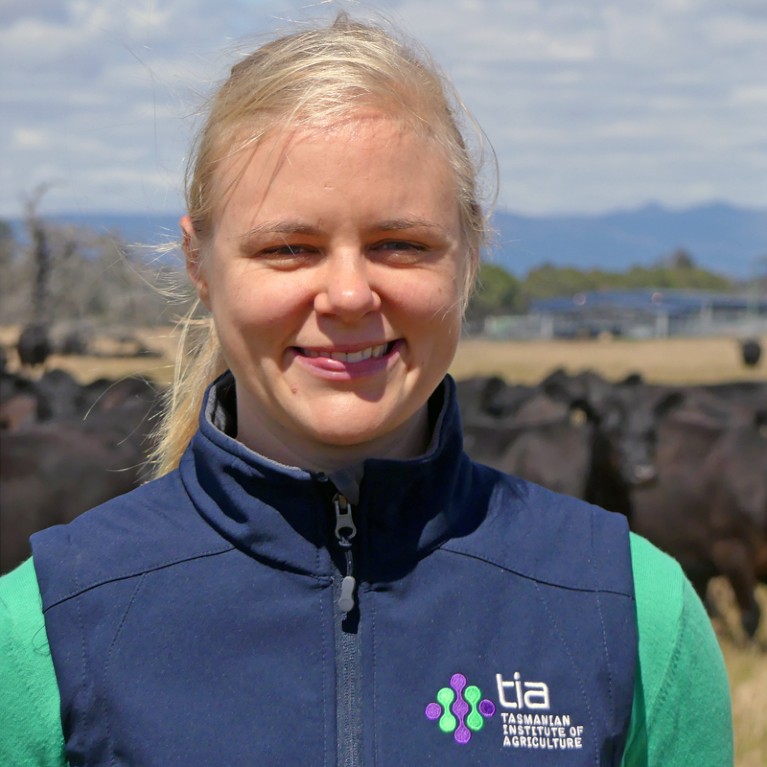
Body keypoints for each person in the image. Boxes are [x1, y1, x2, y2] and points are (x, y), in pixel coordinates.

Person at [0, 13, 732, 767]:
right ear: (200, 261)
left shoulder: (628, 610)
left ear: (468, 252)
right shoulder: (48, 629)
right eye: (289, 247)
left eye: (400, 244)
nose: (348, 293)